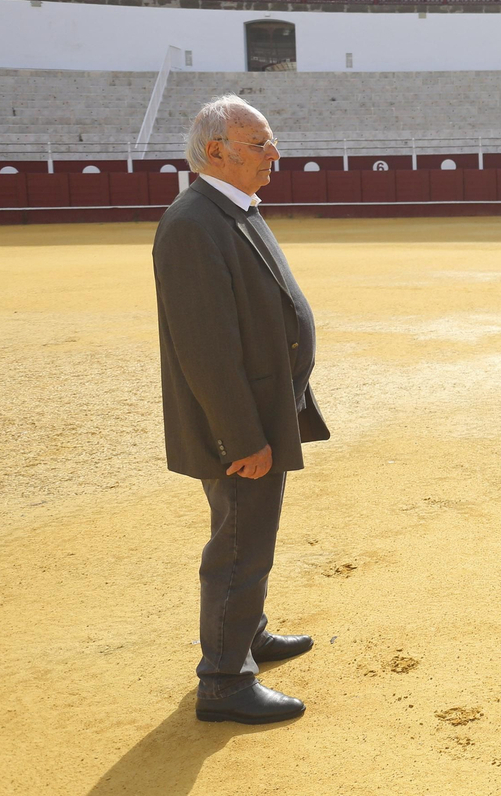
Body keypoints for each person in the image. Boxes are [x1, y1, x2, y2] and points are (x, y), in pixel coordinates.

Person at [153, 95, 330, 725]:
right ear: (216, 152)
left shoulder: (228, 210)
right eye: (259, 144)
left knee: (249, 534)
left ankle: (247, 636)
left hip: (260, 412)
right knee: (238, 544)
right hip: (241, 426)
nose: (274, 154)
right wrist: (242, 439)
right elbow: (206, 350)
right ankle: (224, 680)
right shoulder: (193, 224)